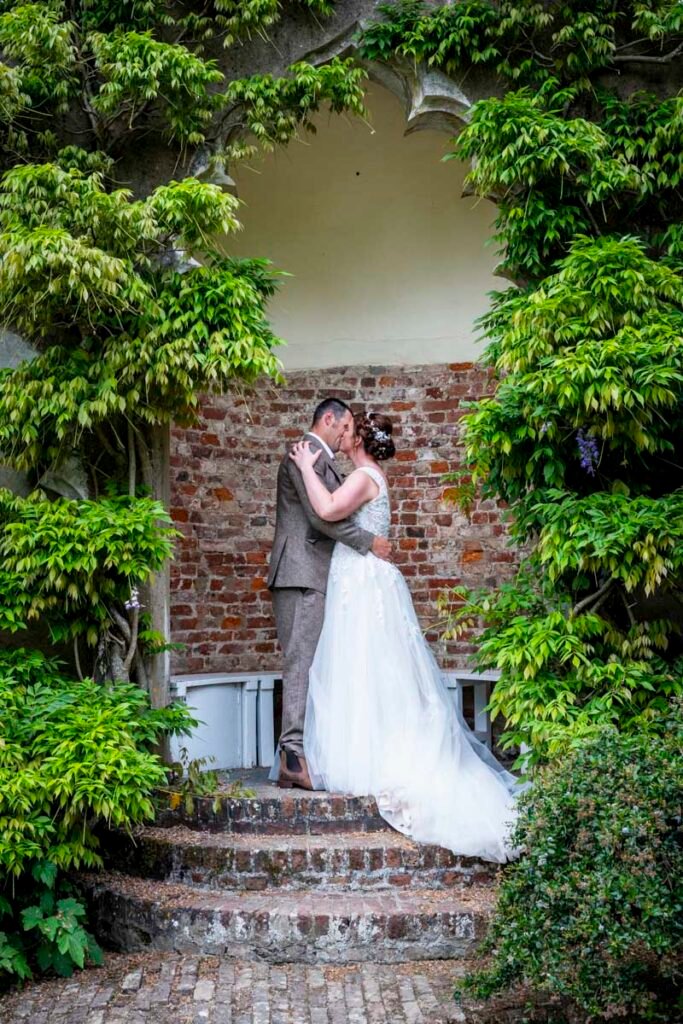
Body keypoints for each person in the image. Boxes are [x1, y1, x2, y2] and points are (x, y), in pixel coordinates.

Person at [288, 410, 523, 863]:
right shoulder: (371, 474)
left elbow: (326, 510)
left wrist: (303, 467)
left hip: (361, 582)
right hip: (361, 577)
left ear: (357, 440)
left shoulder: (363, 477)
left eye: (348, 432)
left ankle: (374, 756)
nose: (341, 436)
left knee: (364, 666)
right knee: (369, 669)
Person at [267, 398, 392, 790]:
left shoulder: (328, 464)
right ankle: (292, 756)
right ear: (328, 420)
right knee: (300, 661)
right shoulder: (300, 456)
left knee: (313, 663)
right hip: (300, 572)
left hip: (320, 575)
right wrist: (369, 541)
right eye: (344, 426)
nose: (346, 435)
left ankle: (300, 753)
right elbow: (323, 518)